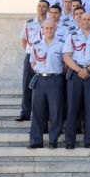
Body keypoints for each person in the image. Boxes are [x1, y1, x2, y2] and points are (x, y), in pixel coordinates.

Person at [62, 12, 90, 149]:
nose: (86, 21)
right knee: (72, 107)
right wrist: (78, 70)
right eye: (84, 19)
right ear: (79, 21)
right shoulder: (72, 36)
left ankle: (89, 140)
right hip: (75, 73)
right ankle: (70, 141)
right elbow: (67, 56)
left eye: (89, 19)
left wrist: (88, 70)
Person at [27, 19, 65, 149]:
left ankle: (53, 140)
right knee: (37, 111)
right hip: (40, 80)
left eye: (51, 28)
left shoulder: (61, 44)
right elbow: (32, 62)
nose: (48, 30)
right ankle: (35, 140)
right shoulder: (36, 44)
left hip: (55, 80)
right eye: (46, 28)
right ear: (42, 29)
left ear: (55, 29)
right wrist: (40, 72)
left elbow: (65, 64)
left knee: (55, 111)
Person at [17, 0, 49, 122]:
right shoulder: (29, 23)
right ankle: (25, 112)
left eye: (44, 7)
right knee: (27, 85)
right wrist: (31, 52)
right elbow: (24, 40)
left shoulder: (50, 23)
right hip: (31, 55)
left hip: (45, 58)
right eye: (39, 6)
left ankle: (44, 115)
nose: (41, 8)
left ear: (48, 9)